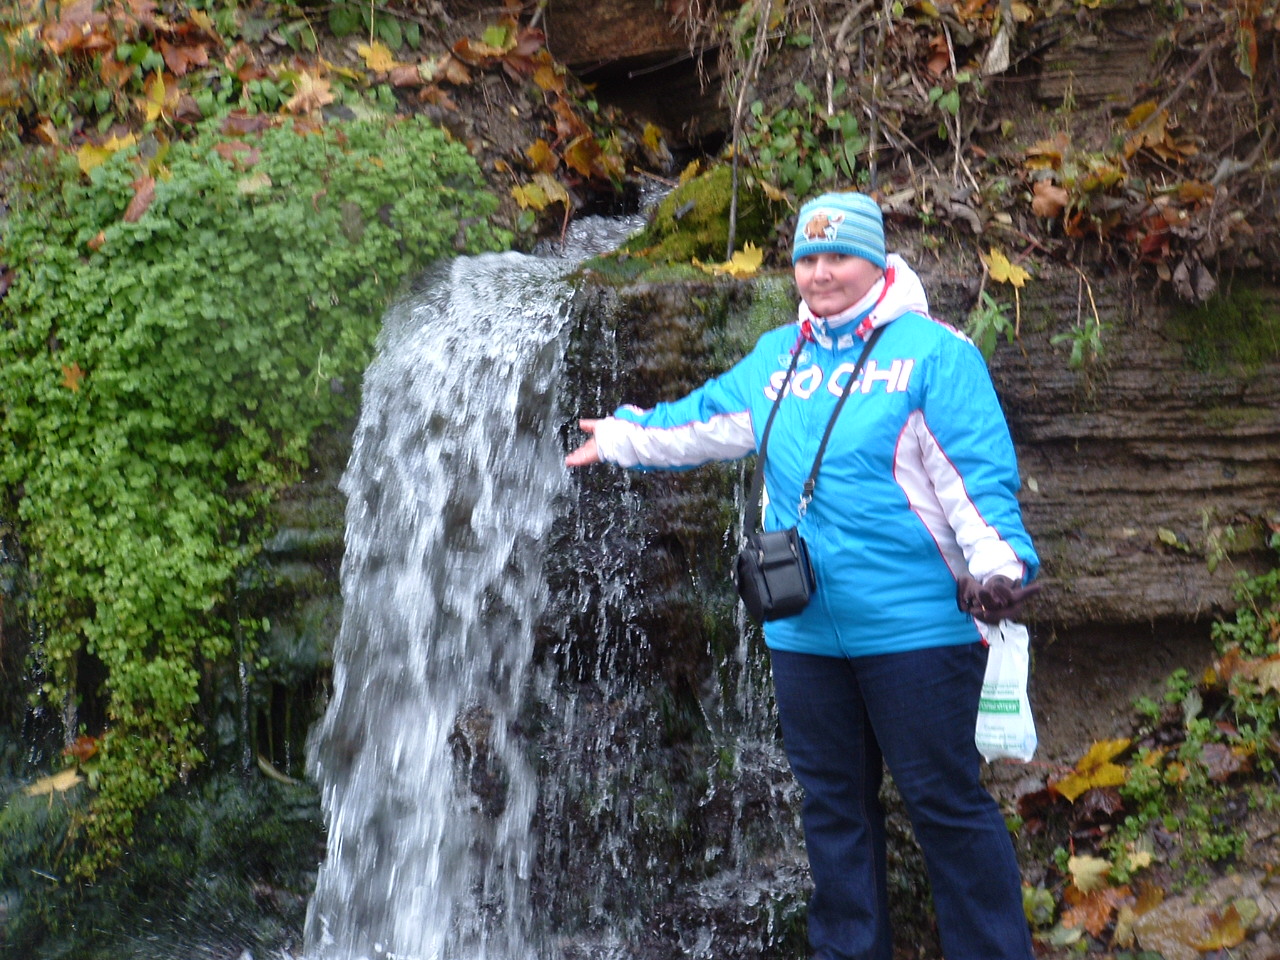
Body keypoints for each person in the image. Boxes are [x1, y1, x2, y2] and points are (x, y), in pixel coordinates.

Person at [565, 191, 1041, 960]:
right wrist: (623, 436)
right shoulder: (778, 356)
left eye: (838, 256)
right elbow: (704, 419)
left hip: (915, 631)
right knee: (832, 812)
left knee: (946, 808)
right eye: (807, 258)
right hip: (805, 634)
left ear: (876, 261)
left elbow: (975, 480)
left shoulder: (934, 354)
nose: (820, 273)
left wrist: (998, 567)